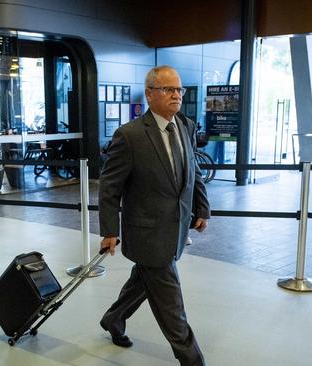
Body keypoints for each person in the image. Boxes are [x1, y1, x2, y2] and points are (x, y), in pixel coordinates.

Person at [98, 65, 210, 366]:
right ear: (150, 94)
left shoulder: (184, 126)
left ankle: (113, 318)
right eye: (168, 89)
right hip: (146, 232)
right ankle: (192, 359)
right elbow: (110, 187)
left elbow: (193, 173)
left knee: (143, 281)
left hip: (175, 229)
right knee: (171, 305)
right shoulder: (130, 135)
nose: (176, 95)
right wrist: (109, 231)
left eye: (179, 90)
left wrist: (202, 208)